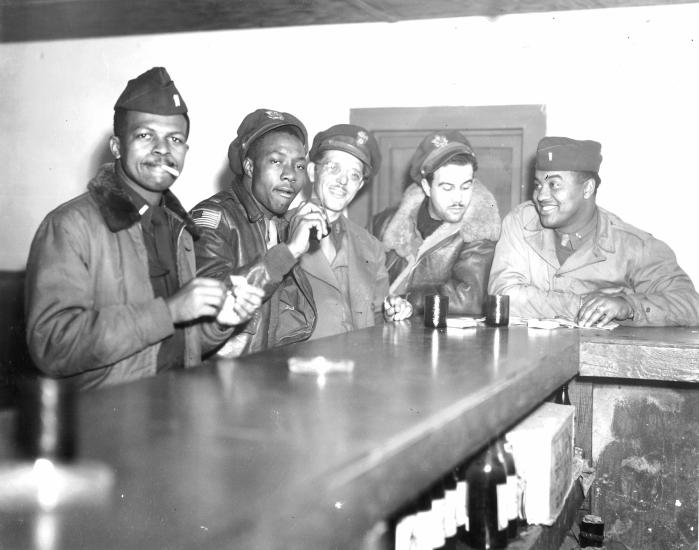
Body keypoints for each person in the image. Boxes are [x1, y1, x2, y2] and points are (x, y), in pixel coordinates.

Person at [25, 67, 263, 390]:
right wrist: (168, 312)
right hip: (106, 422)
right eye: (145, 135)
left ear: (186, 152)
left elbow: (176, 347)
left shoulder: (180, 228)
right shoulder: (69, 226)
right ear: (117, 146)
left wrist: (222, 323)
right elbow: (52, 345)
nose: (163, 149)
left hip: (176, 411)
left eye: (175, 139)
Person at [488, 136, 699, 327]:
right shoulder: (521, 222)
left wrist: (628, 305)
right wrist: (584, 304)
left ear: (587, 189)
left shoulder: (632, 245)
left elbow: (690, 304)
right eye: (538, 184)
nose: (541, 195)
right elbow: (504, 297)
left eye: (553, 184)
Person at [192, 109, 326, 355]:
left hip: (267, 377)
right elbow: (211, 310)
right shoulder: (214, 218)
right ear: (250, 166)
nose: (290, 175)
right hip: (220, 383)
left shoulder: (280, 224)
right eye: (276, 161)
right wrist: (288, 252)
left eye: (299, 165)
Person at [373, 130, 501, 321]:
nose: (458, 198)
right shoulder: (384, 224)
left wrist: (410, 301)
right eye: (447, 187)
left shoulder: (480, 229)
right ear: (426, 186)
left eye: (466, 186)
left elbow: (469, 298)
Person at [299, 124, 389, 339]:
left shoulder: (371, 247)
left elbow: (377, 319)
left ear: (359, 187)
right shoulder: (276, 230)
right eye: (334, 167)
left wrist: (393, 314)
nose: (343, 181)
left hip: (358, 366)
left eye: (354, 175)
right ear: (312, 171)